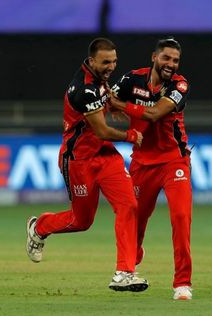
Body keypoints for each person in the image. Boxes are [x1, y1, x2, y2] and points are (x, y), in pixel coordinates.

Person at [25, 38, 148, 292]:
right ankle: (40, 227)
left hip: (105, 156)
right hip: (78, 161)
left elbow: (105, 102)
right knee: (82, 221)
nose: (111, 66)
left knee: (128, 205)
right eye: (106, 62)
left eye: (114, 61)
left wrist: (112, 104)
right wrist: (130, 136)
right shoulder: (82, 89)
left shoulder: (99, 78)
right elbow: (102, 131)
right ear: (92, 61)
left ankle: (124, 272)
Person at [109, 38, 193, 300]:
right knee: (135, 219)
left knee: (180, 218)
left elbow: (156, 113)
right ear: (154, 57)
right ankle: (130, 264)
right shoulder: (131, 79)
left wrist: (121, 106)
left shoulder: (179, 85)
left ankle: (182, 282)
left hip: (173, 161)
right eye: (166, 58)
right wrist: (118, 108)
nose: (171, 64)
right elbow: (108, 99)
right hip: (142, 162)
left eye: (175, 60)